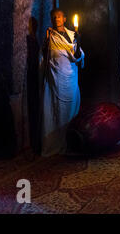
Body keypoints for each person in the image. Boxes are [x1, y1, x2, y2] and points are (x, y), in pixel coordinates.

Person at [40, 9, 85, 157]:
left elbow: (77, 57)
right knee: (56, 109)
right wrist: (46, 44)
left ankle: (71, 142)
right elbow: (45, 57)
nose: (56, 18)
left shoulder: (73, 35)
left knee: (71, 109)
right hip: (56, 79)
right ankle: (56, 143)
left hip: (70, 78)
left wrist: (78, 42)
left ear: (64, 19)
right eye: (53, 16)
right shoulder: (50, 36)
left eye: (59, 16)